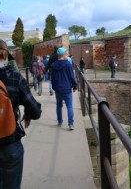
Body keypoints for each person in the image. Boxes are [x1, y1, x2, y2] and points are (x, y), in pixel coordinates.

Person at [0, 39, 42, 189]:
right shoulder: (15, 77)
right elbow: (35, 111)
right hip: (8, 142)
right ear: (6, 56)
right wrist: (29, 114)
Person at [50, 47, 77, 130]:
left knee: (59, 106)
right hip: (67, 89)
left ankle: (60, 121)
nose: (67, 55)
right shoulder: (68, 64)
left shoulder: (53, 65)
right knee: (69, 107)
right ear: (64, 55)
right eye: (66, 53)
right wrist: (74, 86)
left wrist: (54, 87)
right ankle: (71, 124)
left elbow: (52, 79)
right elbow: (72, 77)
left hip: (58, 89)